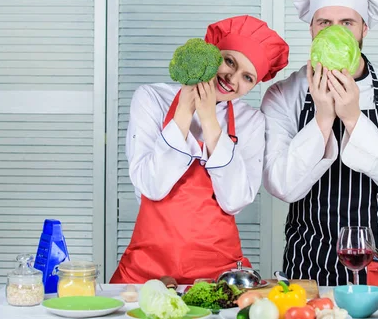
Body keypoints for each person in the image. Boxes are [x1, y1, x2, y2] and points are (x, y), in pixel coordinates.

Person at [261, 0, 378, 286]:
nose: (335, 32)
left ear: (364, 29)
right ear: (311, 28)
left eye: (347, 22)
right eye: (325, 22)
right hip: (309, 263)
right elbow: (282, 185)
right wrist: (323, 119)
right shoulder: (282, 93)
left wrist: (352, 117)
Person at [111, 15, 289, 284]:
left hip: (219, 276)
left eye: (247, 77)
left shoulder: (251, 120)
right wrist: (184, 110)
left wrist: (209, 122)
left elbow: (234, 201)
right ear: (212, 52)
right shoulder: (151, 98)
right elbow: (152, 185)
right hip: (146, 273)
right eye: (229, 61)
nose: (232, 78)